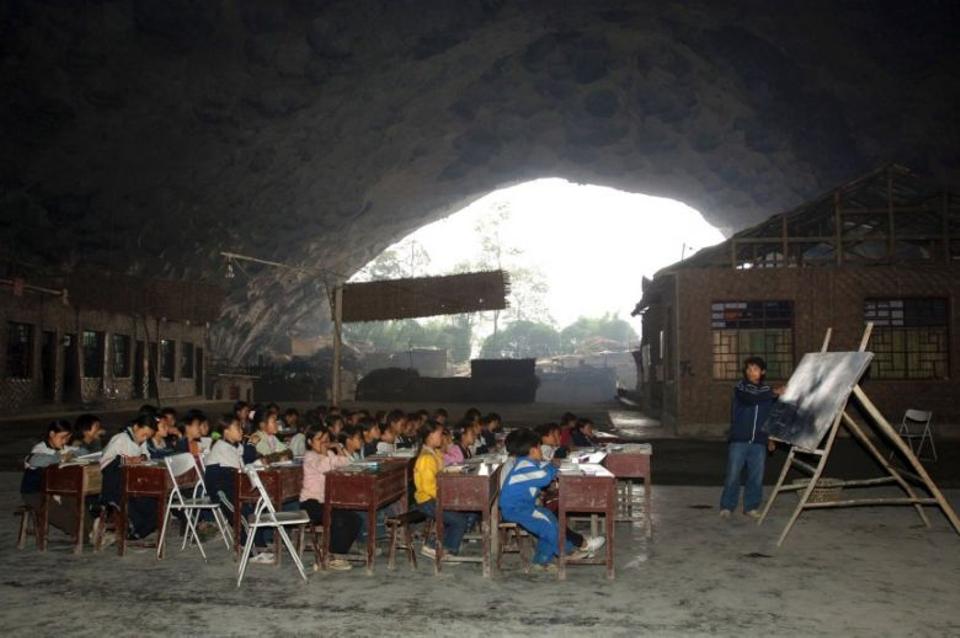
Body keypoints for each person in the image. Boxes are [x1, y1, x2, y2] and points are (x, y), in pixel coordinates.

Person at [499, 429, 603, 571]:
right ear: (533, 450)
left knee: (550, 519)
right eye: (539, 447)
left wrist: (551, 465)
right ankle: (568, 551)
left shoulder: (526, 463)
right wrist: (553, 468)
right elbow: (544, 477)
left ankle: (540, 561)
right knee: (547, 525)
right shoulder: (524, 467)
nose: (541, 450)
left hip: (523, 506)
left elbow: (543, 467)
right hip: (516, 509)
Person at [720, 356, 782, 519]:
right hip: (739, 440)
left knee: (756, 476)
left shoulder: (767, 392)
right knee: (733, 474)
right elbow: (751, 398)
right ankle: (727, 506)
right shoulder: (741, 388)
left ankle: (751, 506)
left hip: (759, 442)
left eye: (754, 369)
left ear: (762, 372)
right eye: (748, 369)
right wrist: (774, 392)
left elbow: (771, 417)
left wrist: (771, 438)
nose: (750, 372)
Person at [205, 416, 274, 562]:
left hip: (235, 485)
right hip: (221, 489)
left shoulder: (236, 446)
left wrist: (256, 456)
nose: (241, 431)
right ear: (226, 431)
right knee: (241, 515)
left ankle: (258, 546)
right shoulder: (221, 447)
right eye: (238, 428)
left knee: (251, 510)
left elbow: (245, 461)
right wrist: (251, 445)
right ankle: (252, 554)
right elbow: (242, 467)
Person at [22, 420, 102, 544]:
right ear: (52, 434)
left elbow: (88, 454)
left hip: (60, 490)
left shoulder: (66, 448)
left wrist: (75, 454)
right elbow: (34, 460)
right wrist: (60, 457)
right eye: (62, 437)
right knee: (61, 515)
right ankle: (87, 537)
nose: (65, 441)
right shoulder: (40, 449)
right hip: (36, 493)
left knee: (76, 502)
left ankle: (94, 531)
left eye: (68, 438)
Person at [298, 428, 359, 571]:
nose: (324, 443)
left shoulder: (329, 453)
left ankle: (336, 552)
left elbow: (348, 463)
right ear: (310, 442)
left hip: (326, 501)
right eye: (320, 440)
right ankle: (333, 556)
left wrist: (338, 448)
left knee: (354, 518)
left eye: (326, 440)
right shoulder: (310, 456)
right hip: (310, 502)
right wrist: (326, 453)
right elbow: (323, 467)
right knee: (338, 518)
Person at [414, 421, 475, 560]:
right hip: (427, 500)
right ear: (430, 435)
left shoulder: (435, 453)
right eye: (439, 434)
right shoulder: (426, 458)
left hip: (436, 496)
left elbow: (441, 472)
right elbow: (428, 487)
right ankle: (446, 550)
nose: (442, 438)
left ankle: (436, 544)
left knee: (462, 515)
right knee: (459, 521)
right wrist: (446, 499)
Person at [99, 414, 156, 540]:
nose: (145, 438)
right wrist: (126, 460)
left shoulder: (142, 442)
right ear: (135, 427)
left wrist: (142, 458)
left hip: (134, 480)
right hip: (116, 480)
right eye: (144, 434)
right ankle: (133, 529)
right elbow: (105, 460)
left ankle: (139, 532)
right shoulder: (120, 438)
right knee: (131, 502)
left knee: (151, 502)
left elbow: (146, 455)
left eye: (148, 436)